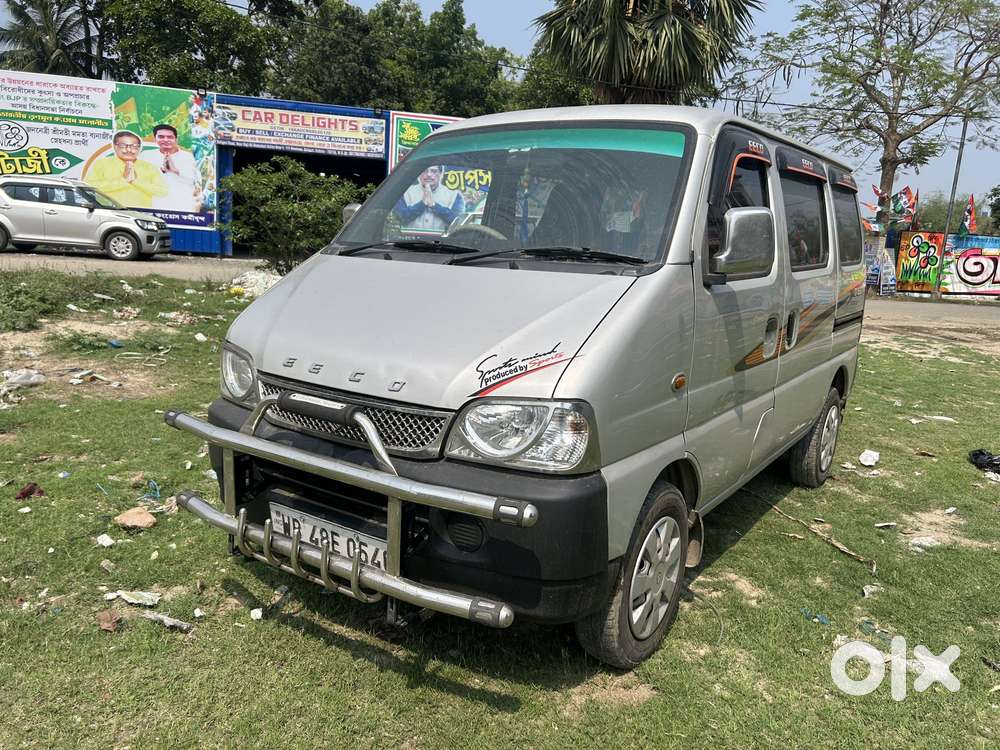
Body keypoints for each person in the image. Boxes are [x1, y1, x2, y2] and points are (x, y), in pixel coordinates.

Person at [84, 131, 167, 209]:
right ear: (115, 146)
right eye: (123, 146)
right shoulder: (102, 164)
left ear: (139, 148)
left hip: (142, 214)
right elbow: (89, 187)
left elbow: (162, 191)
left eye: (134, 146)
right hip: (108, 211)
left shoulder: (149, 167)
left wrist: (135, 181)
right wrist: (123, 181)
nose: (129, 150)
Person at [140, 123, 203, 213]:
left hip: (183, 206)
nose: (165, 140)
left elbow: (195, 182)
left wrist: (175, 171)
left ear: (176, 139)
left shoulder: (188, 157)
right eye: (161, 137)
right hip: (154, 206)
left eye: (170, 137)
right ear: (155, 138)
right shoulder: (146, 155)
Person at [393, 165, 464, 233]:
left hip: (442, 243)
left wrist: (434, 206)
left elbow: (458, 223)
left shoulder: (455, 195)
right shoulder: (405, 192)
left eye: (433, 171)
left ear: (441, 174)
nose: (429, 174)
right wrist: (422, 204)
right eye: (424, 171)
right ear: (419, 174)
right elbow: (398, 219)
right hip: (409, 242)